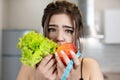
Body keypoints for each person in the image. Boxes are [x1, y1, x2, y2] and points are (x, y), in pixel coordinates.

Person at [17, 0, 104, 80]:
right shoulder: (29, 67)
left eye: (68, 31)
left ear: (77, 35)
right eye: (52, 29)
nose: (59, 37)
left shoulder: (90, 67)